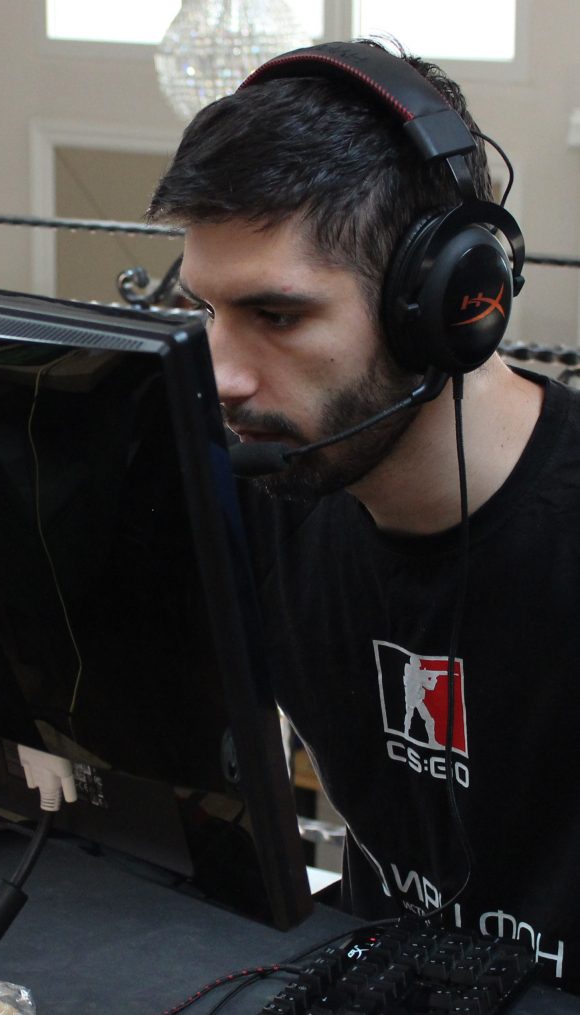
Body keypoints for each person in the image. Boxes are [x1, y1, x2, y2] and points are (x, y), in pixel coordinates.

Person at [147, 38, 580, 991]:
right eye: (206, 311)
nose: (221, 375)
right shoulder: (267, 488)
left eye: (277, 315)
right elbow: (90, 735)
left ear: (448, 303)